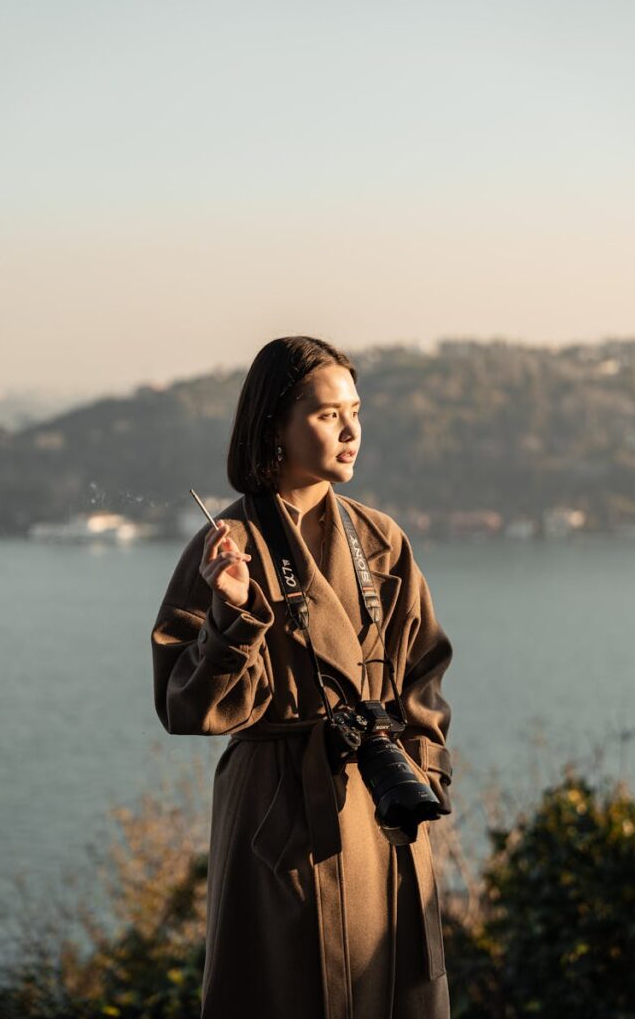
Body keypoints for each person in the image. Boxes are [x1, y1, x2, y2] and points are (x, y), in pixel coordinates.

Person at [151, 335, 455, 1019]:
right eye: (325, 415)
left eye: (355, 410)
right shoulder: (228, 547)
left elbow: (423, 679)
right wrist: (234, 613)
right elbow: (185, 705)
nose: (350, 431)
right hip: (278, 812)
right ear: (273, 427)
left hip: (382, 804)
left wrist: (421, 780)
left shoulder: (380, 540)